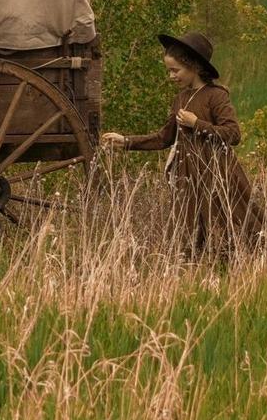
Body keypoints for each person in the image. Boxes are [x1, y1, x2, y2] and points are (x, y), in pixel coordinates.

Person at [101, 31, 258, 260]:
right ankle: (197, 269)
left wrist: (198, 124)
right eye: (169, 71)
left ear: (193, 66)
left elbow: (233, 134)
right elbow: (164, 138)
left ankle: (237, 266)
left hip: (216, 172)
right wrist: (126, 141)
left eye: (175, 70)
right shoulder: (181, 99)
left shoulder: (216, 96)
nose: (171, 76)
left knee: (227, 222)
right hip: (188, 175)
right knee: (190, 227)